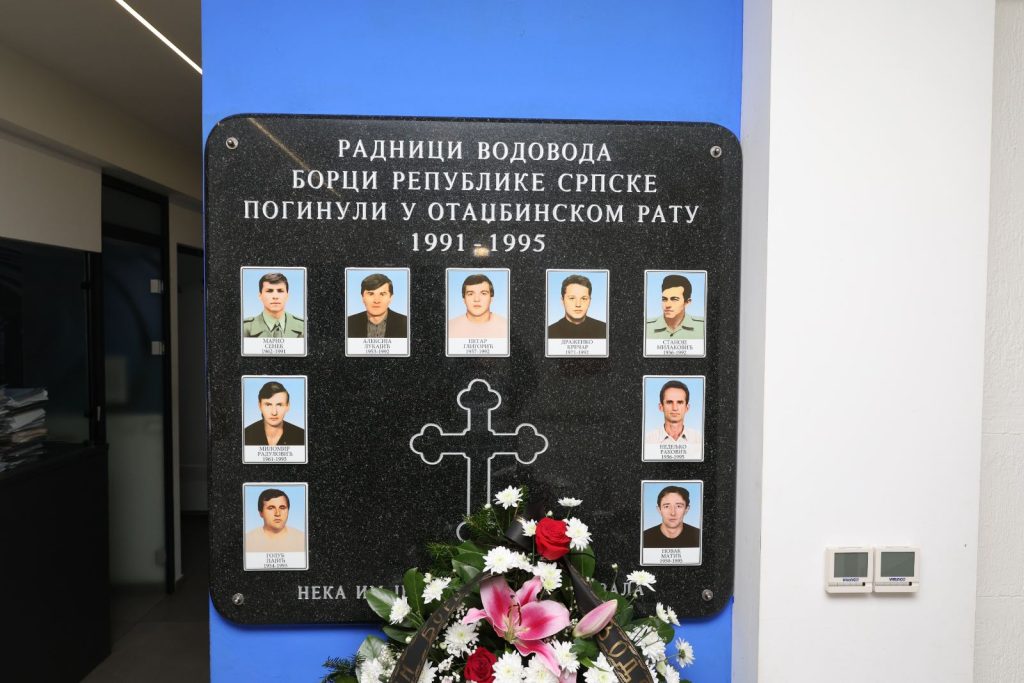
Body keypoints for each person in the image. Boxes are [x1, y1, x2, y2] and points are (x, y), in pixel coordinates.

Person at [644, 380, 702, 457]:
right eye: (669, 402)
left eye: (680, 402)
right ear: (661, 407)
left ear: (687, 408)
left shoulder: (699, 440)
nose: (675, 408)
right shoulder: (647, 440)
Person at [243, 272, 305, 338]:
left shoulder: (303, 327)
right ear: (260, 295)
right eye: (269, 291)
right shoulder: (245, 328)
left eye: (280, 291)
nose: (275, 296)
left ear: (287, 296)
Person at [346, 273, 408, 338]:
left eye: (382, 294)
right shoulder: (348, 323)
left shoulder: (406, 323)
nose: (376, 301)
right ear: (362, 298)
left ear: (391, 298)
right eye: (371, 294)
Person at [244, 381, 305, 446]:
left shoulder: (302, 436)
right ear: (259, 406)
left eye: (279, 405)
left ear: (288, 406)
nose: (274, 412)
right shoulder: (245, 435)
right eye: (268, 405)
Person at [645, 274, 705, 340]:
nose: (667, 305)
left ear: (687, 302)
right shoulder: (647, 327)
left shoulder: (702, 326)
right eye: (664, 299)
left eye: (674, 299)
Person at [244, 488, 305, 552]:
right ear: (261, 513)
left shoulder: (302, 539)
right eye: (271, 508)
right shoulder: (247, 541)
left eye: (282, 508)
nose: (277, 513)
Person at [548, 274, 607, 339]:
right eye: (572, 298)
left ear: (590, 301)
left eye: (583, 298)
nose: (578, 304)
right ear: (562, 301)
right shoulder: (549, 332)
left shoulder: (604, 330)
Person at [448, 273, 508, 338]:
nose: (476, 299)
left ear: (491, 298)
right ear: (464, 299)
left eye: (483, 293)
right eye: (470, 294)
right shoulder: (449, 327)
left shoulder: (506, 327)